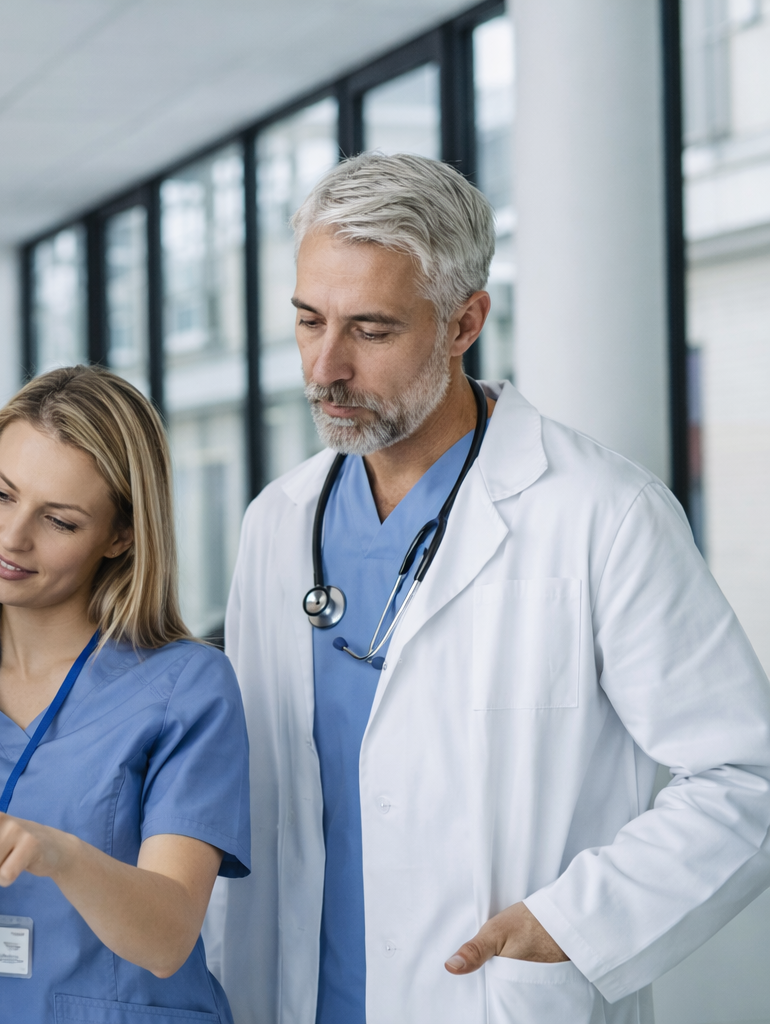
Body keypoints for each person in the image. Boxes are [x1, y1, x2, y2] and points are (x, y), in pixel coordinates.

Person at [201, 152, 770, 1023]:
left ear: (466, 322)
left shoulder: (601, 514)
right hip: (296, 996)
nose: (326, 367)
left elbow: (743, 773)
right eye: (309, 321)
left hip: (490, 996)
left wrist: (572, 925)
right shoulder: (279, 521)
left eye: (372, 330)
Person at [0, 366, 252, 1023]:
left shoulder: (187, 687)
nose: (13, 537)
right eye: (0, 493)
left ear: (121, 535)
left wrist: (60, 855)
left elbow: (166, 938)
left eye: (59, 520)